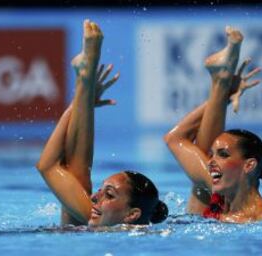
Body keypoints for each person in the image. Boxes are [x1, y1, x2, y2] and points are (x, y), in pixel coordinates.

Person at [36, 20, 168, 227]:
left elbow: (48, 166)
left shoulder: (96, 223)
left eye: (109, 194)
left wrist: (80, 101)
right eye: (101, 190)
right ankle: (85, 80)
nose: (94, 197)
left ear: (132, 214)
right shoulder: (100, 225)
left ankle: (85, 80)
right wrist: (81, 102)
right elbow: (53, 167)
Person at [164, 26, 262, 223]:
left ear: (249, 165)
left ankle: (221, 81)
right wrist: (222, 97)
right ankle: (221, 82)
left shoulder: (261, 220)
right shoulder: (223, 195)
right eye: (214, 154)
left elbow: (175, 139)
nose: (209, 160)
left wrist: (223, 94)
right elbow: (174, 139)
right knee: (201, 183)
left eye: (223, 155)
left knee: (201, 186)